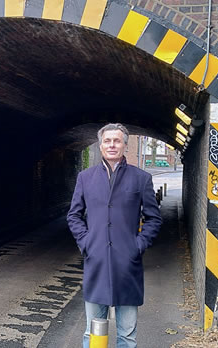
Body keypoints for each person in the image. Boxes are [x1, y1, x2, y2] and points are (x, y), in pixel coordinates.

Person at [67, 123, 163, 348]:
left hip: (127, 266)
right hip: (97, 264)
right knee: (93, 333)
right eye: (107, 141)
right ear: (100, 146)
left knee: (127, 336)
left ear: (125, 145)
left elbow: (153, 218)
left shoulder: (141, 179)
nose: (112, 145)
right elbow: (74, 215)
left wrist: (137, 245)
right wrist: (86, 242)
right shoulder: (85, 178)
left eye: (117, 141)